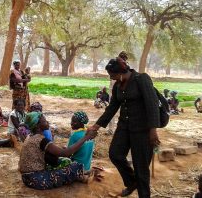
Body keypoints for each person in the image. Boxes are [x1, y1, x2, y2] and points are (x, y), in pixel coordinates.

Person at [86, 57, 161, 198]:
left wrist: (153, 130)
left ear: (121, 72)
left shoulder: (141, 79)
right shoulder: (117, 86)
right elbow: (112, 108)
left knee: (141, 168)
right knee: (115, 154)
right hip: (124, 127)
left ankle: (144, 194)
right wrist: (96, 126)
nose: (112, 78)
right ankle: (132, 182)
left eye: (113, 75)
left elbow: (152, 105)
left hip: (143, 130)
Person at [18, 112, 92, 190]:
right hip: (37, 180)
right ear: (37, 126)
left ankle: (82, 173)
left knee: (60, 160)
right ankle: (82, 176)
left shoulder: (30, 137)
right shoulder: (41, 140)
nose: (47, 122)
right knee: (75, 167)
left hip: (26, 178)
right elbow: (66, 153)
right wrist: (85, 138)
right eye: (44, 121)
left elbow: (52, 155)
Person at [107, 51, 129, 134]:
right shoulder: (114, 66)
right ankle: (111, 129)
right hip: (114, 90)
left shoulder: (126, 68)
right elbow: (113, 79)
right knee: (112, 109)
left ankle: (114, 129)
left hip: (121, 92)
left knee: (120, 110)